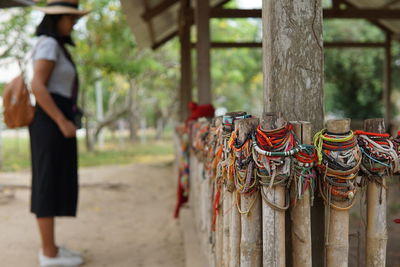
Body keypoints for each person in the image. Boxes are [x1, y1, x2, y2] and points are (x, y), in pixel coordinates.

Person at [29, 1, 89, 266]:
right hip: (50, 121)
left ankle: (51, 247)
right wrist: (61, 120)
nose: (73, 23)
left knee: (54, 181)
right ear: (58, 19)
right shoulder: (49, 44)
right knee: (46, 183)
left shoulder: (56, 46)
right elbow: (37, 86)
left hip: (56, 119)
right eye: (70, 18)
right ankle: (48, 254)